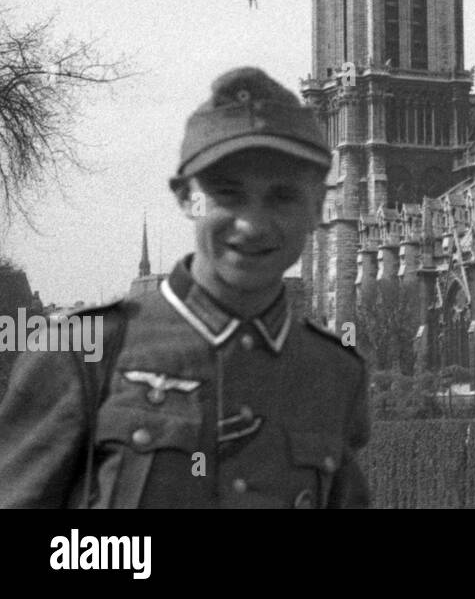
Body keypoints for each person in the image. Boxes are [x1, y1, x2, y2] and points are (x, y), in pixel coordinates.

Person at [0, 67, 369, 508]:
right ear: (184, 197)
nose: (252, 224)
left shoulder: (334, 372)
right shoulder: (82, 351)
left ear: (317, 208)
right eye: (228, 193)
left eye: (282, 197)